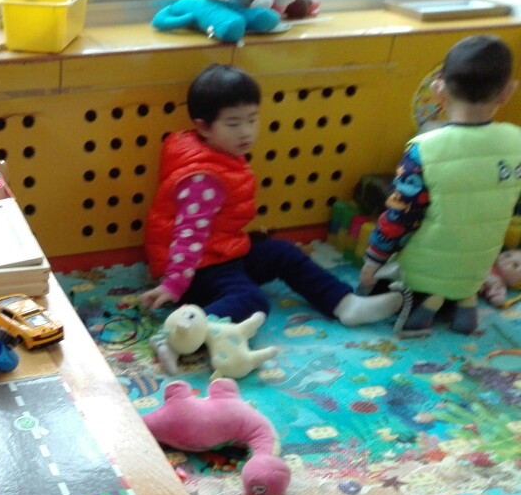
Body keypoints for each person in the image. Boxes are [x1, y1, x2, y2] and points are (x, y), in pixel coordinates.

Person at [140, 63, 403, 327]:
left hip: (223, 254)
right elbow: (189, 236)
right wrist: (174, 285)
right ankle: (184, 332)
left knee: (283, 253)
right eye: (233, 123)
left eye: (252, 119)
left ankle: (345, 304)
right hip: (196, 271)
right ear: (204, 127)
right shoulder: (203, 178)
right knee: (250, 300)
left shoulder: (217, 155)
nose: (246, 131)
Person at [359, 34, 521, 336]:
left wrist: (373, 260)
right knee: (461, 275)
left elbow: (400, 216)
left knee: (377, 286)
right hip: (476, 269)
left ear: (438, 89)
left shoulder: (424, 150)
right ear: (507, 92)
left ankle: (421, 312)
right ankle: (465, 311)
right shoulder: (516, 141)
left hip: (423, 272)